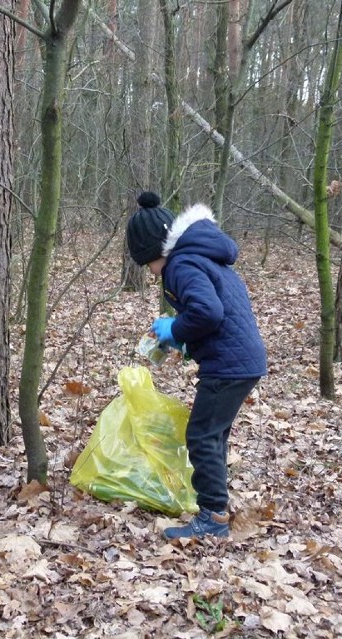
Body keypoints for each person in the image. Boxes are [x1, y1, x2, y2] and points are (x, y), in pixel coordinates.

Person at [126, 191, 267, 540]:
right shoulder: (204, 256)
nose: (153, 273)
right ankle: (215, 507)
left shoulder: (182, 264)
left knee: (202, 435)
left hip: (228, 363)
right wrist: (184, 339)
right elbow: (214, 314)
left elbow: (208, 312)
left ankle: (213, 518)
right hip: (241, 359)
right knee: (213, 434)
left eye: (149, 265)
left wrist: (174, 327)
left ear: (157, 251)